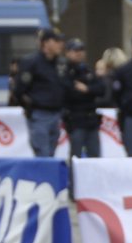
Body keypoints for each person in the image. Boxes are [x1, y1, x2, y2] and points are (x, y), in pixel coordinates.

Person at [16, 28, 69, 158]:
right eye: (56, 41)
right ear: (46, 43)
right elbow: (19, 89)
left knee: (51, 153)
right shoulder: (31, 62)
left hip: (56, 113)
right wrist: (30, 106)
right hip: (39, 114)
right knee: (43, 154)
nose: (60, 44)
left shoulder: (60, 63)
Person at [62, 39, 107, 159]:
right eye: (75, 50)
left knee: (94, 154)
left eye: (81, 50)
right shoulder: (65, 71)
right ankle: (73, 178)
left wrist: (87, 89)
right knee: (75, 155)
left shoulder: (87, 70)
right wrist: (89, 91)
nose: (79, 53)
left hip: (91, 119)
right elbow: (70, 93)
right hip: (75, 118)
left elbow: (102, 89)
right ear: (67, 52)